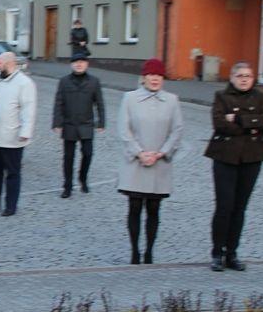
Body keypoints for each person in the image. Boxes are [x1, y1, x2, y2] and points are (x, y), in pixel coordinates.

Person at [205, 61, 263, 272]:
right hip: (225, 157)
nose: (244, 79)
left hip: (252, 158)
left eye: (248, 76)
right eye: (240, 75)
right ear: (232, 78)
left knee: (240, 208)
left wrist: (239, 119)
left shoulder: (262, 97)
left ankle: (232, 253)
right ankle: (217, 252)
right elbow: (219, 124)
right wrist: (251, 125)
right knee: (224, 207)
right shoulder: (221, 97)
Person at [118, 58, 185, 264]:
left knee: (154, 209)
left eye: (159, 76)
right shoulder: (129, 99)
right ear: (143, 77)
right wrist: (139, 153)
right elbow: (124, 129)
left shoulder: (172, 101)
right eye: (151, 75)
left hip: (159, 163)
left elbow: (177, 130)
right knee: (135, 207)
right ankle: (134, 252)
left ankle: (149, 251)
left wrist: (161, 153)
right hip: (136, 163)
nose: (155, 79)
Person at [0, 52, 36, 217]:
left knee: (12, 172)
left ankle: (11, 205)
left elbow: (28, 109)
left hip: (12, 135)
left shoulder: (24, 83)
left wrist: (26, 131)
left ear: (9, 63)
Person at [52, 49, 105, 197]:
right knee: (68, 157)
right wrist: (57, 123)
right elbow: (58, 103)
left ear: (86, 64)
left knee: (88, 154)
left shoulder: (94, 82)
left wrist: (101, 122)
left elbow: (99, 103)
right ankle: (67, 186)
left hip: (86, 124)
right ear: (71, 65)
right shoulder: (64, 82)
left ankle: (83, 178)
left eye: (82, 62)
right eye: (76, 62)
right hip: (69, 124)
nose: (79, 65)